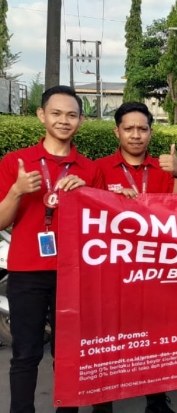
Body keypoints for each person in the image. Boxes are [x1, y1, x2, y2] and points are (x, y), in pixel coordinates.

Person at [0, 85, 105, 413]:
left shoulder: (90, 169)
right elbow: (1, 221)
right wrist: (17, 190)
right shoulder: (16, 162)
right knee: (25, 354)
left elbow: (102, 226)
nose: (64, 120)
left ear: (81, 120)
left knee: (68, 354)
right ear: (41, 115)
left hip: (74, 274)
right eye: (56, 113)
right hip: (26, 272)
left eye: (71, 115)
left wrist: (88, 195)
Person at [92, 102, 177, 413]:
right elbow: (87, 212)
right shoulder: (99, 168)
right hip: (111, 269)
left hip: (154, 267)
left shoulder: (164, 168)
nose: (136, 135)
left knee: (154, 335)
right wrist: (112, 201)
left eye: (142, 129)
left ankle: (156, 402)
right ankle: (102, 404)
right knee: (105, 336)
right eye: (129, 129)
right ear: (116, 132)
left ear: (151, 132)